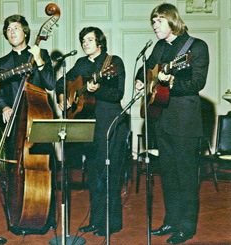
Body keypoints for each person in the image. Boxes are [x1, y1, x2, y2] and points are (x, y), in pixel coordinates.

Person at [135, 3, 209, 244]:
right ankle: (171, 220)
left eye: (158, 21)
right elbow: (146, 69)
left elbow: (197, 83)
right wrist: (140, 81)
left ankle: (186, 227)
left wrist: (172, 81)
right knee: (167, 175)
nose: (154, 26)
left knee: (186, 177)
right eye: (153, 22)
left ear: (172, 21)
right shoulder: (159, 47)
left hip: (185, 122)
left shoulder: (196, 47)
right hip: (161, 120)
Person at [56, 26, 128, 236]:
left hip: (109, 123)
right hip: (88, 124)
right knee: (94, 176)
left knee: (109, 174)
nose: (85, 44)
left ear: (100, 42)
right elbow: (62, 82)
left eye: (89, 40)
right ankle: (96, 221)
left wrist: (99, 89)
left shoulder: (113, 63)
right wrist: (63, 97)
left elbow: (118, 93)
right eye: (83, 41)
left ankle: (111, 223)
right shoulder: (80, 63)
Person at [0, 14, 56, 234]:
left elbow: (50, 84)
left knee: (45, 170)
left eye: (16, 28)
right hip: (14, 125)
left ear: (26, 32)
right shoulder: (1, 64)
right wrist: (4, 108)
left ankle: (46, 216)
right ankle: (19, 216)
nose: (12, 32)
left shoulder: (41, 54)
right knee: (15, 172)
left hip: (38, 120)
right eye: (8, 29)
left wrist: (38, 60)